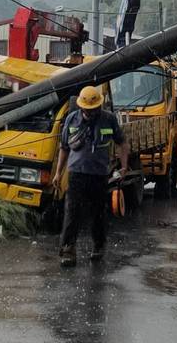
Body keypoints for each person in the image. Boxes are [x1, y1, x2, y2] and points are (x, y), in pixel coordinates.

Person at [52, 85, 129, 267]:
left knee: (98, 214)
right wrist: (58, 173)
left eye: (94, 109)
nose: (91, 112)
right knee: (72, 213)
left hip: (99, 175)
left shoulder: (109, 120)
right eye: (87, 110)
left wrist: (124, 166)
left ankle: (99, 245)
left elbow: (122, 143)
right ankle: (68, 249)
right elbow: (64, 148)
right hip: (77, 174)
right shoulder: (72, 120)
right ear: (81, 107)